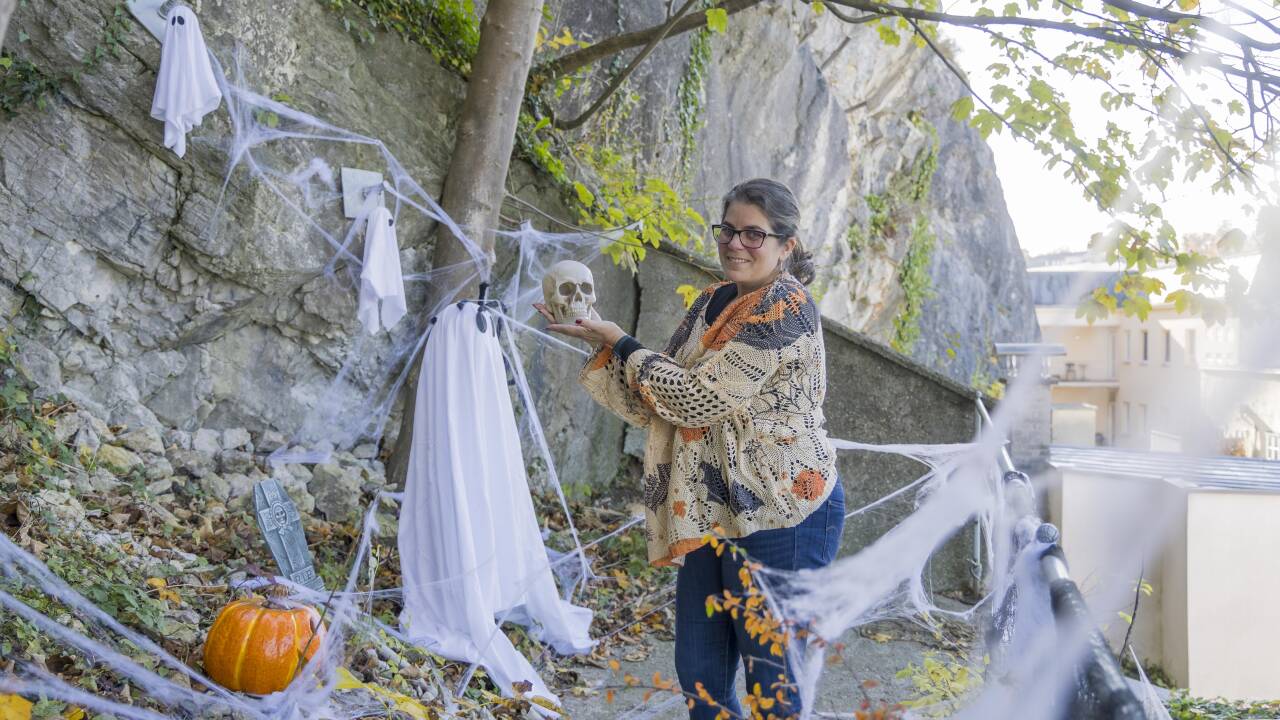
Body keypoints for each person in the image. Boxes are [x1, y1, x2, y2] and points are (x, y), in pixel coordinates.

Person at [537, 178, 844, 718]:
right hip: (709, 505)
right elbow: (661, 398)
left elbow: (698, 399)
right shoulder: (711, 300)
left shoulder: (786, 307)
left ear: (785, 245)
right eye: (728, 230)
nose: (735, 243)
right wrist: (602, 345)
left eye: (754, 234)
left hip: (783, 512)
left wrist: (621, 342)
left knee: (773, 682)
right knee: (700, 676)